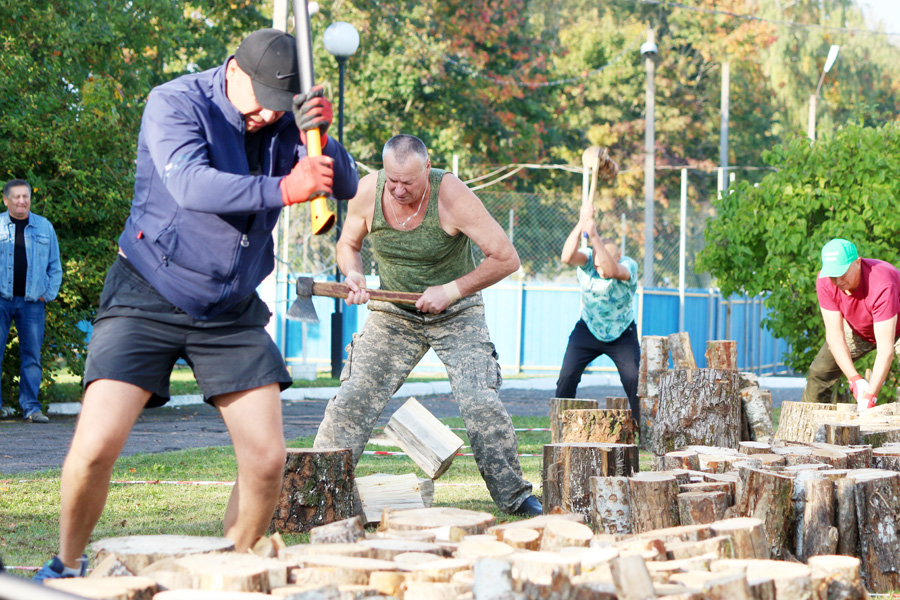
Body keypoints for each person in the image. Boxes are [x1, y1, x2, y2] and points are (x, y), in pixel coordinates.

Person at [34, 28, 358, 582]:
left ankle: (228, 576)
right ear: (234, 71)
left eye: (283, 108)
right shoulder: (175, 102)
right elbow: (191, 185)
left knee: (266, 460)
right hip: (147, 292)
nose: (268, 118)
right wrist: (284, 190)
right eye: (264, 104)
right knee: (95, 446)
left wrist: (322, 137)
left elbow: (345, 183)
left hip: (231, 308)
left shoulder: (287, 123)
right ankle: (65, 565)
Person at [313, 134, 541, 517]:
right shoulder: (368, 191)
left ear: (427, 168)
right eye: (393, 180)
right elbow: (348, 244)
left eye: (409, 182)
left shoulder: (451, 196)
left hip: (457, 313)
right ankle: (317, 494)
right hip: (394, 313)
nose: (399, 190)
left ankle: (515, 497)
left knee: (481, 402)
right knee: (351, 400)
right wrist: (353, 274)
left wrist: (451, 290)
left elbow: (505, 257)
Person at [554, 208, 640, 425]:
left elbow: (612, 272)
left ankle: (643, 429)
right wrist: (581, 223)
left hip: (622, 332)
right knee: (567, 376)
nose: (600, 268)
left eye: (604, 262)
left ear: (618, 257)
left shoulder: (629, 266)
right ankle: (561, 425)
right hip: (588, 329)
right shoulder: (588, 260)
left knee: (634, 379)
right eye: (597, 264)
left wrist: (594, 235)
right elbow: (566, 257)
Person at [802, 238, 900, 411]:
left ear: (857, 263)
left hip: (895, 327)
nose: (838, 280)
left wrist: (870, 396)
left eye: (843, 273)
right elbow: (835, 336)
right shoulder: (825, 281)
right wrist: (855, 380)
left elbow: (885, 351)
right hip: (858, 328)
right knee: (819, 371)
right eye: (833, 275)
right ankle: (812, 429)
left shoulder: (881, 283)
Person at [0, 179, 62, 423]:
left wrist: (47, 293)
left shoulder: (44, 227)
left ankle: (31, 408)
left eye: (25, 196)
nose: (21, 201)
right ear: (6, 200)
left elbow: (55, 266)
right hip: (1, 300)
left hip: (32, 303)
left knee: (32, 357)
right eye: (15, 197)